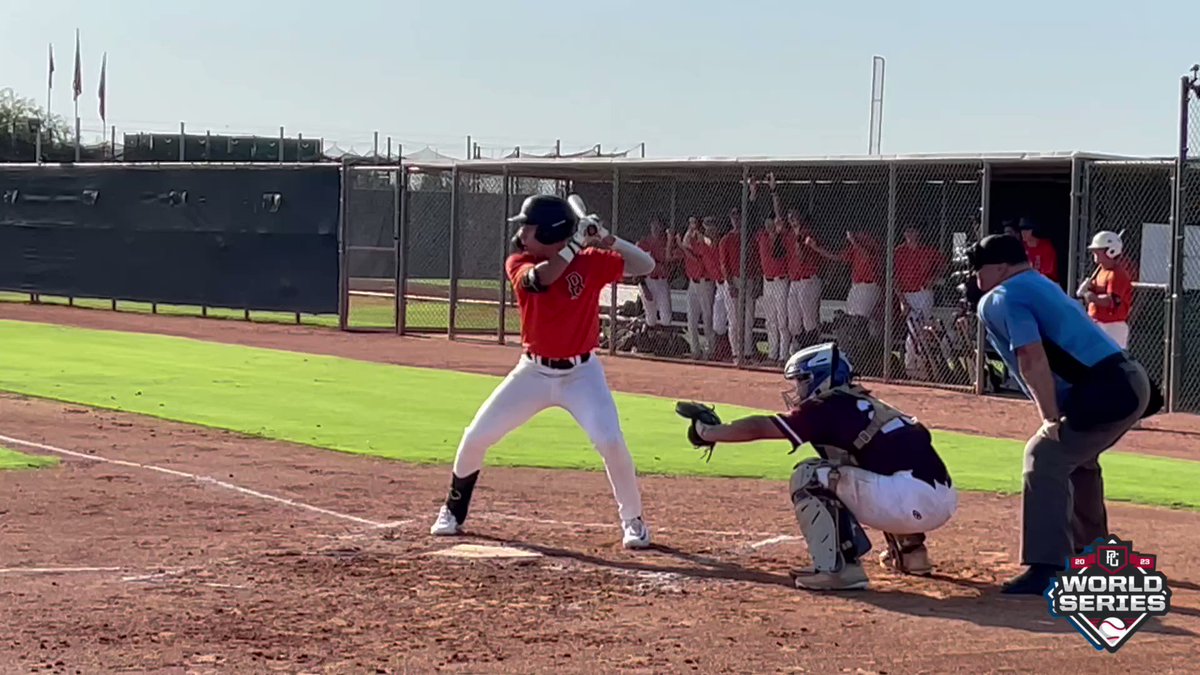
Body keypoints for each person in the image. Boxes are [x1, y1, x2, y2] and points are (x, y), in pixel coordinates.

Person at [430, 194, 658, 549]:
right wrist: (577, 243)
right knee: (476, 435)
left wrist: (607, 238)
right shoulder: (519, 262)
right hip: (533, 374)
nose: (521, 233)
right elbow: (542, 279)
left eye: (529, 227)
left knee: (610, 440)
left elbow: (645, 265)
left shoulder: (589, 260)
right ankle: (453, 511)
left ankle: (634, 520)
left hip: (582, 375)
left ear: (552, 233)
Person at [676, 343, 957, 591]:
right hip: (941, 498)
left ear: (821, 378)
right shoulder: (864, 403)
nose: (798, 388)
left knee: (809, 475)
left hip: (908, 500)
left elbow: (760, 427)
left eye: (802, 380)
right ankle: (911, 554)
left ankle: (838, 570)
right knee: (862, 465)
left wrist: (710, 432)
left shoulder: (827, 407)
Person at [967, 234, 1155, 594]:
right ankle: (1094, 551)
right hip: (1125, 382)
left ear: (1002, 267)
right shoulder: (1038, 282)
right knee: (1079, 459)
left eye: (980, 269)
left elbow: (1031, 358)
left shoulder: (1001, 296)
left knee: (1045, 454)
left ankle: (1047, 567)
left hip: (1108, 389)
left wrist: (1050, 418)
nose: (976, 277)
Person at [894, 225, 947, 378]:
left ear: (918, 233)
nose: (910, 234)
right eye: (907, 231)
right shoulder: (899, 252)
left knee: (922, 329)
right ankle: (911, 366)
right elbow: (894, 278)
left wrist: (934, 278)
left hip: (923, 293)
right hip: (907, 294)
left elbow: (944, 264)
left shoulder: (927, 251)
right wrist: (902, 300)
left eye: (913, 231)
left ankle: (921, 367)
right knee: (913, 329)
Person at [1076, 231, 1134, 349]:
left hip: (1113, 326)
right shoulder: (1102, 271)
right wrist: (1090, 287)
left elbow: (1110, 301)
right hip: (1098, 322)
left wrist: (1090, 296)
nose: (1094, 253)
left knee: (1111, 361)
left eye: (1099, 250)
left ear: (1111, 251)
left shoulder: (1117, 274)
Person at [717, 206, 760, 360]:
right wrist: (729, 283)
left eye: (739, 216)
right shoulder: (726, 240)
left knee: (748, 319)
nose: (736, 219)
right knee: (734, 321)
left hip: (748, 280)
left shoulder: (749, 238)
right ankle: (736, 353)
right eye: (733, 216)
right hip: (734, 279)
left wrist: (756, 283)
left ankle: (747, 353)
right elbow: (724, 264)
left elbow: (756, 262)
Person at [678, 216, 719, 359]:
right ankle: (695, 350)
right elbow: (685, 243)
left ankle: (710, 350)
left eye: (696, 223)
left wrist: (685, 246)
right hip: (692, 283)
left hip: (705, 283)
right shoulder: (693, 239)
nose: (693, 225)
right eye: (690, 223)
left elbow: (704, 249)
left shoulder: (707, 241)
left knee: (707, 318)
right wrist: (690, 231)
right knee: (691, 318)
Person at [784, 210, 823, 352]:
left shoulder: (807, 234)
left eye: (795, 217)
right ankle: (801, 348)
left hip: (809, 280)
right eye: (790, 218)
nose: (793, 220)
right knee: (793, 322)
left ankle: (812, 351)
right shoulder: (789, 235)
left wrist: (799, 237)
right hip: (794, 281)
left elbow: (801, 256)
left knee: (809, 321)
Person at [757, 214, 792, 362]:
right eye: (767, 223)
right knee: (770, 320)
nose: (769, 226)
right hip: (767, 281)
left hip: (781, 281)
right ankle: (772, 354)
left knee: (782, 320)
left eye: (773, 223)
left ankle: (783, 355)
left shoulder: (782, 238)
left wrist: (778, 232)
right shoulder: (761, 236)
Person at [636, 217, 675, 329]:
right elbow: (638, 267)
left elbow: (671, 262)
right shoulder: (644, 243)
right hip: (648, 281)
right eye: (654, 226)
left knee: (666, 318)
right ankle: (649, 337)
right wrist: (644, 287)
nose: (656, 229)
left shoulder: (666, 242)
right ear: (650, 227)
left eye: (659, 226)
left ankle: (664, 340)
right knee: (651, 318)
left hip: (662, 281)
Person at [1018, 218, 1059, 282]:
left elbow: (1048, 274)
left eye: (1027, 229)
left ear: (1034, 230)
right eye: (1022, 230)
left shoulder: (1046, 247)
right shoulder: (1020, 247)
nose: (1023, 232)